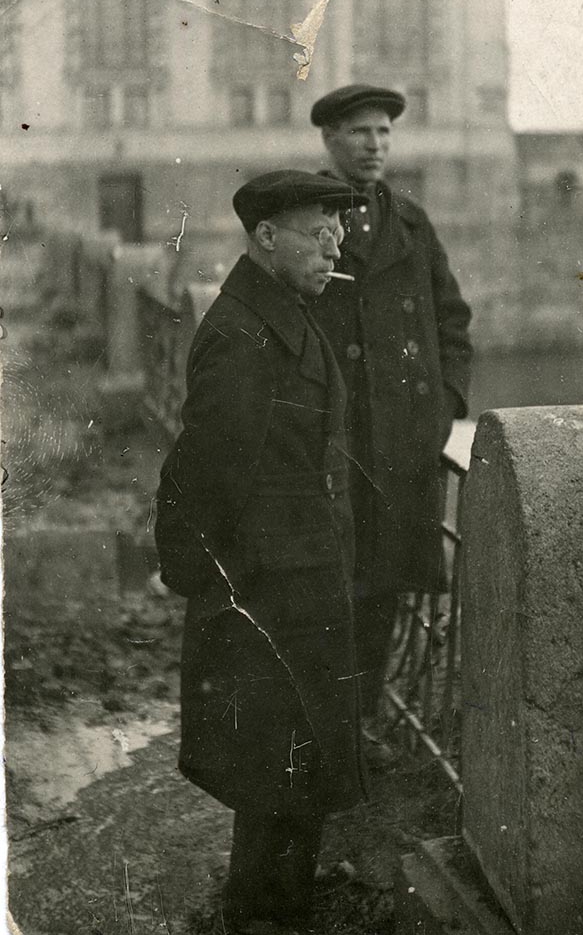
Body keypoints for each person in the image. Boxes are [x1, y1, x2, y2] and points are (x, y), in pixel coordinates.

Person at [154, 170, 368, 935]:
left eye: (338, 234)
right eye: (318, 233)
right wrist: (209, 582)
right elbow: (204, 469)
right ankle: (263, 918)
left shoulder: (281, 315)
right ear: (267, 236)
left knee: (291, 773)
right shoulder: (244, 332)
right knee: (277, 771)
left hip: (300, 581)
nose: (333, 247)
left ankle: (275, 912)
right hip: (271, 591)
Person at [309, 84, 474, 739]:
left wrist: (446, 404)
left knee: (382, 587)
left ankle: (363, 723)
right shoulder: (306, 216)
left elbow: (452, 319)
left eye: (383, 133)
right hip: (335, 438)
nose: (374, 145)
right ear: (330, 139)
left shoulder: (409, 221)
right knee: (328, 581)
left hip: (401, 442)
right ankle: (323, 730)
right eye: (360, 132)